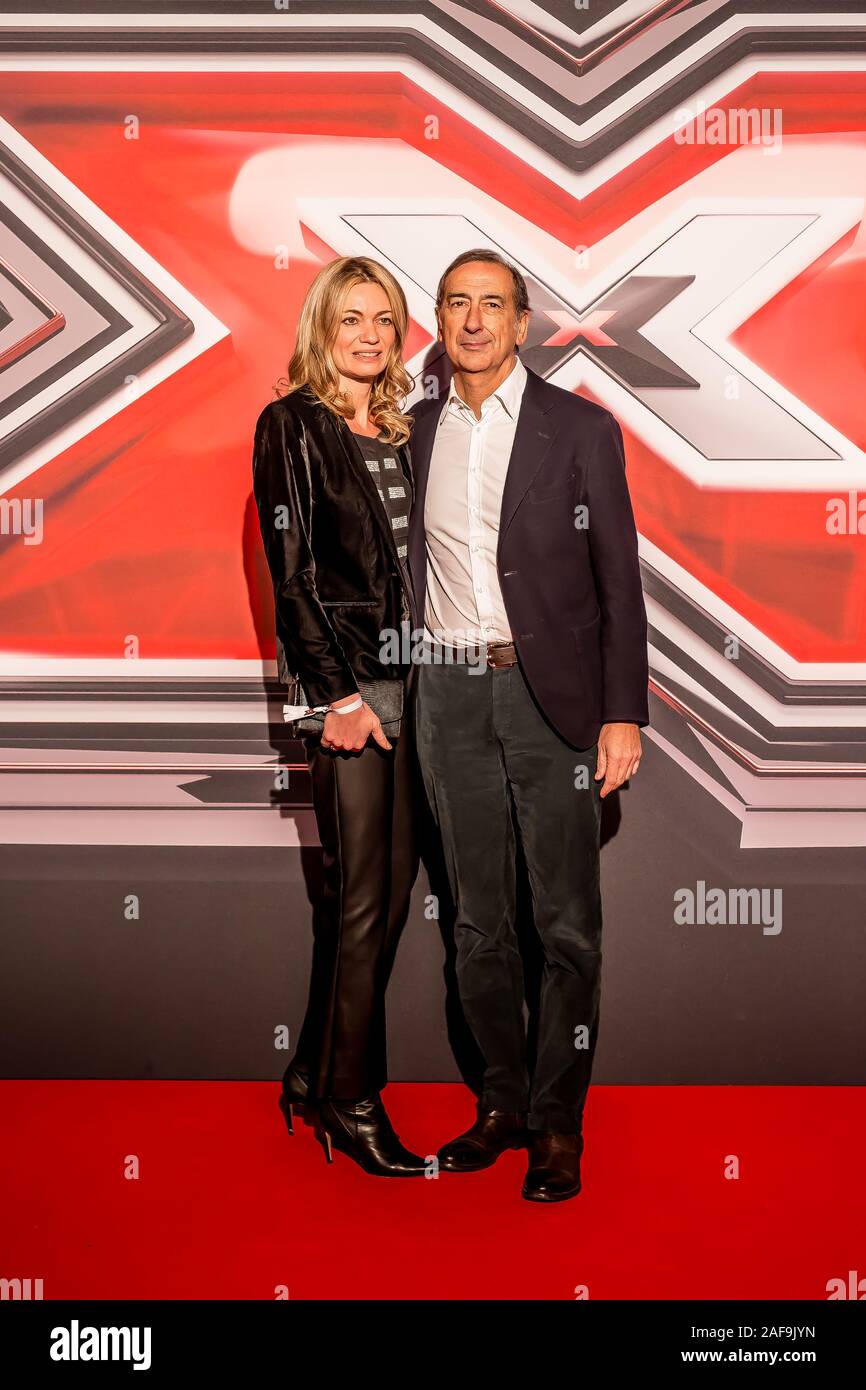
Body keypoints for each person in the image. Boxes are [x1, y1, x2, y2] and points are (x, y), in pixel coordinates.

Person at [408, 249, 649, 1202]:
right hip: (449, 698)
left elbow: (620, 586)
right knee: (476, 924)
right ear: (440, 319)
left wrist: (622, 711)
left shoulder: (581, 430)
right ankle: (500, 1107)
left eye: (493, 306)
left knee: (565, 928)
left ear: (521, 324)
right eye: (457, 304)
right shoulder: (413, 431)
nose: (474, 321)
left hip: (555, 702)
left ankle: (558, 1125)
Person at [251, 255, 425, 1177]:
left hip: (417, 686)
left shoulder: (401, 427)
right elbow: (294, 577)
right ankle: (352, 1103)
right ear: (322, 327)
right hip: (351, 692)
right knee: (365, 901)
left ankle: (313, 1074)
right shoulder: (292, 425)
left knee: (383, 900)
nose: (369, 335)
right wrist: (339, 698)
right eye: (351, 318)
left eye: (385, 320)